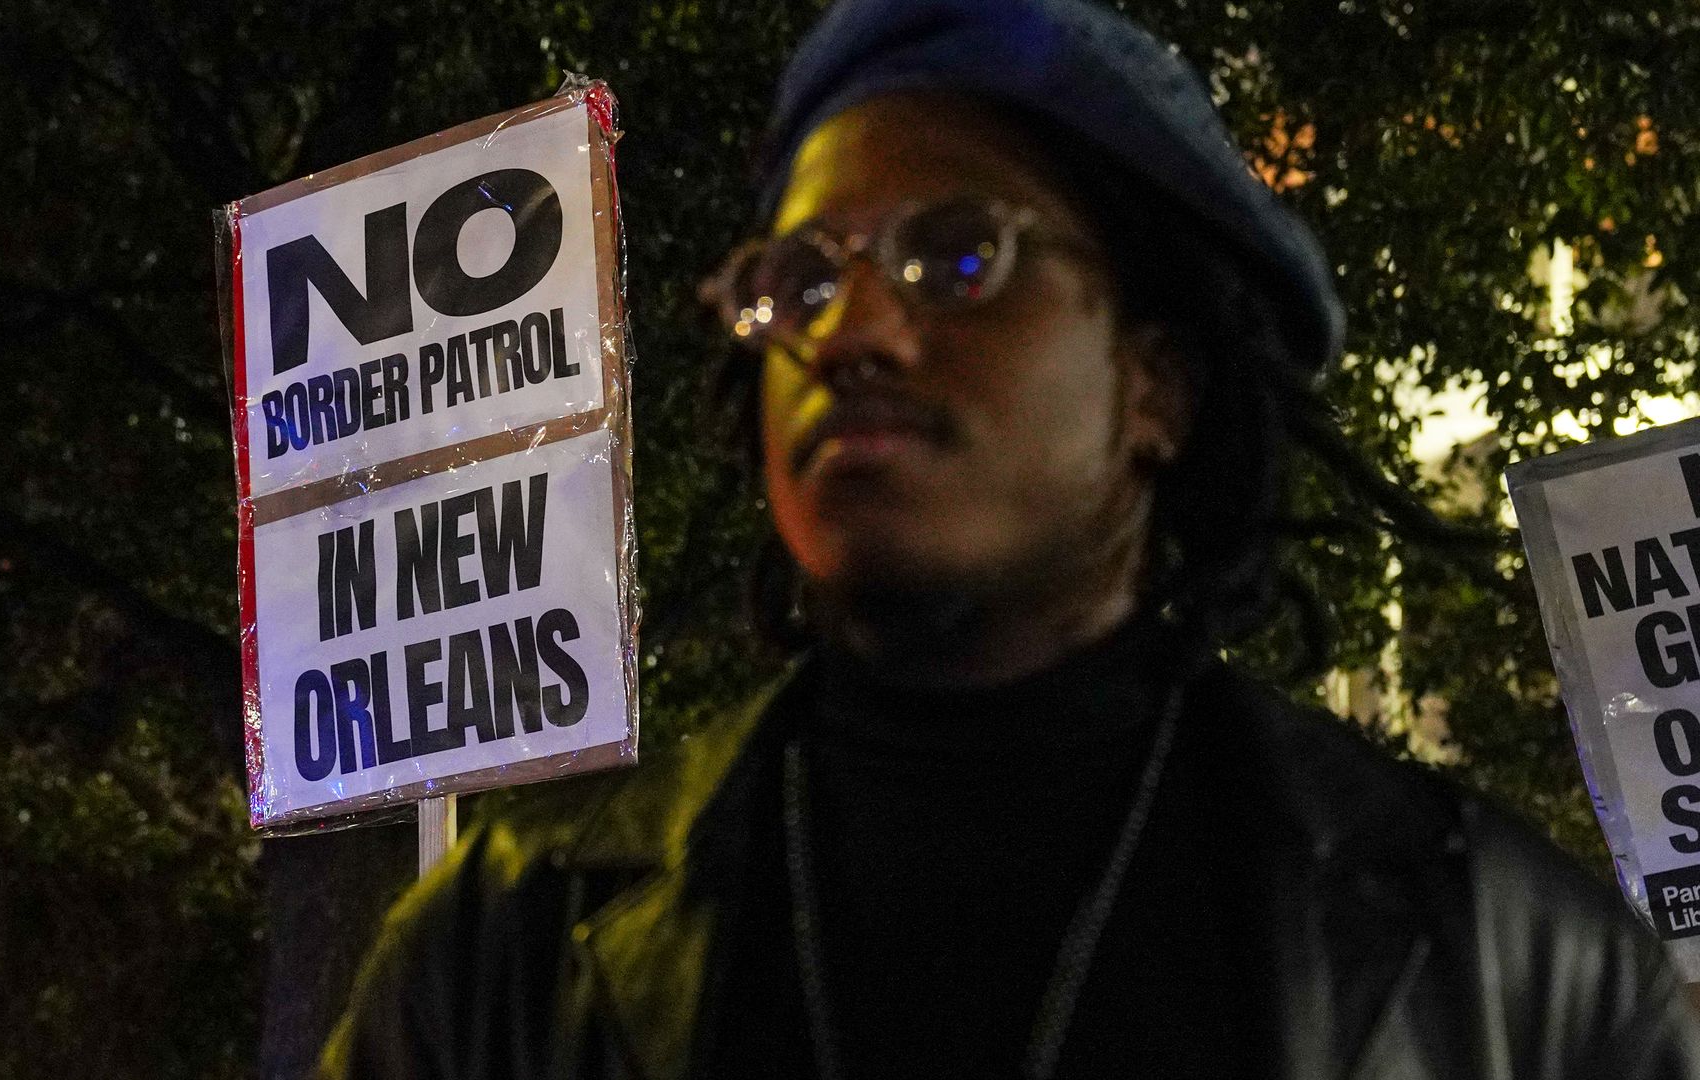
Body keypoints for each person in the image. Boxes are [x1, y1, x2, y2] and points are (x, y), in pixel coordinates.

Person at [320, 1, 1700, 1076]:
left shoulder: (1513, 971)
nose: (853, 333)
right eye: (802, 279)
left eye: (960, 256)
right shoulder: (503, 951)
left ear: (1154, 387)